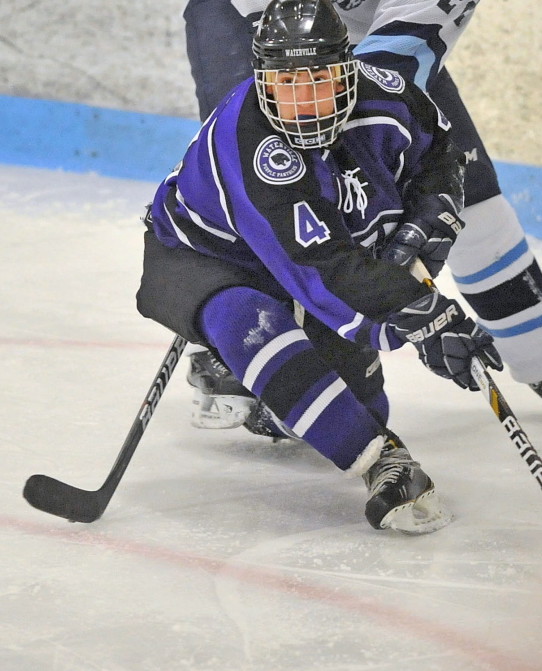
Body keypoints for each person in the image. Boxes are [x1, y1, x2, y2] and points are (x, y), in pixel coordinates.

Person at [137, 0, 502, 533]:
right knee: (250, 321)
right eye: (288, 86)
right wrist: (424, 313)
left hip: (313, 257)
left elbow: (440, 155)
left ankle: (258, 392)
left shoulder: (388, 95)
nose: (305, 105)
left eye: (321, 81)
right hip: (202, 255)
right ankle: (384, 460)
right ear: (261, 78)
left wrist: (428, 226)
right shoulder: (254, 143)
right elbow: (323, 266)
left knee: (363, 403)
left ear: (348, 67)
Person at [179, 0, 542, 431]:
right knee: (263, 195)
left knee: (469, 193)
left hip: (377, 41)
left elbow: (418, 26)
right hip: (255, 26)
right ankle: (241, 347)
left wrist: (374, 104)